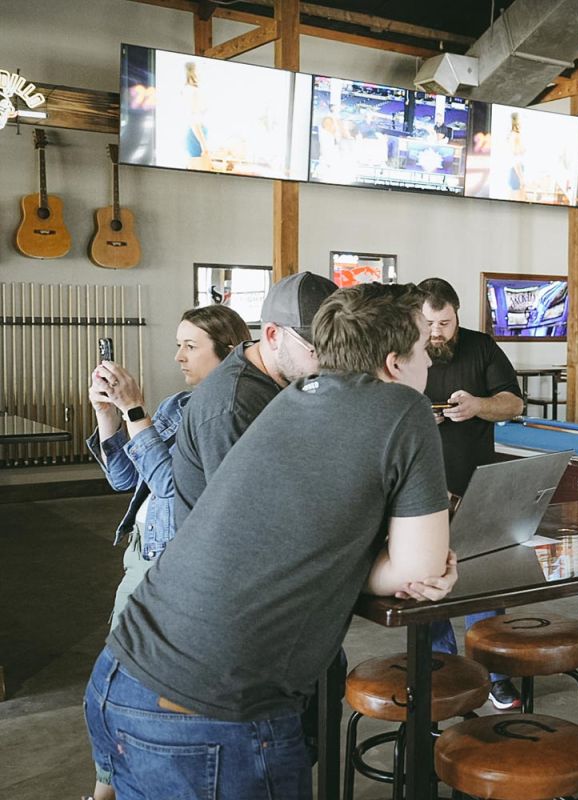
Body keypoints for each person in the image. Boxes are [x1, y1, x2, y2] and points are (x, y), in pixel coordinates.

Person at [85, 283, 458, 799]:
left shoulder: (290, 399)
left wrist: (389, 566)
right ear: (395, 364)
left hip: (122, 672)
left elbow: (291, 538)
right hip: (212, 709)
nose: (431, 362)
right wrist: (418, 566)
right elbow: (420, 569)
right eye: (423, 350)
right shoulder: (404, 409)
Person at [83, 304, 250, 800]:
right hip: (139, 554)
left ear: (228, 351)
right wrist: (109, 416)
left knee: (124, 684)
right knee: (117, 683)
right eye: (178, 344)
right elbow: (125, 478)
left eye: (190, 346)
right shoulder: (181, 403)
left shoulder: (228, 414)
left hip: (167, 563)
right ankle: (109, 787)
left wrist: (136, 412)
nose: (178, 356)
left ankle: (109, 791)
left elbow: (176, 494)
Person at [417, 277, 526, 709]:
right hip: (419, 491)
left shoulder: (481, 347)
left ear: (457, 315)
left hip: (476, 486)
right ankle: (444, 677)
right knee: (429, 585)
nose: (437, 333)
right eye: (429, 324)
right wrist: (418, 415)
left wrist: (478, 405)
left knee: (484, 583)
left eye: (445, 323)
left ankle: (495, 676)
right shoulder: (405, 348)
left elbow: (513, 403)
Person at [172, 272, 336, 529]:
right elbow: (245, 520)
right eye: (316, 350)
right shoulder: (232, 407)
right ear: (272, 335)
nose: (329, 364)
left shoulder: (285, 376)